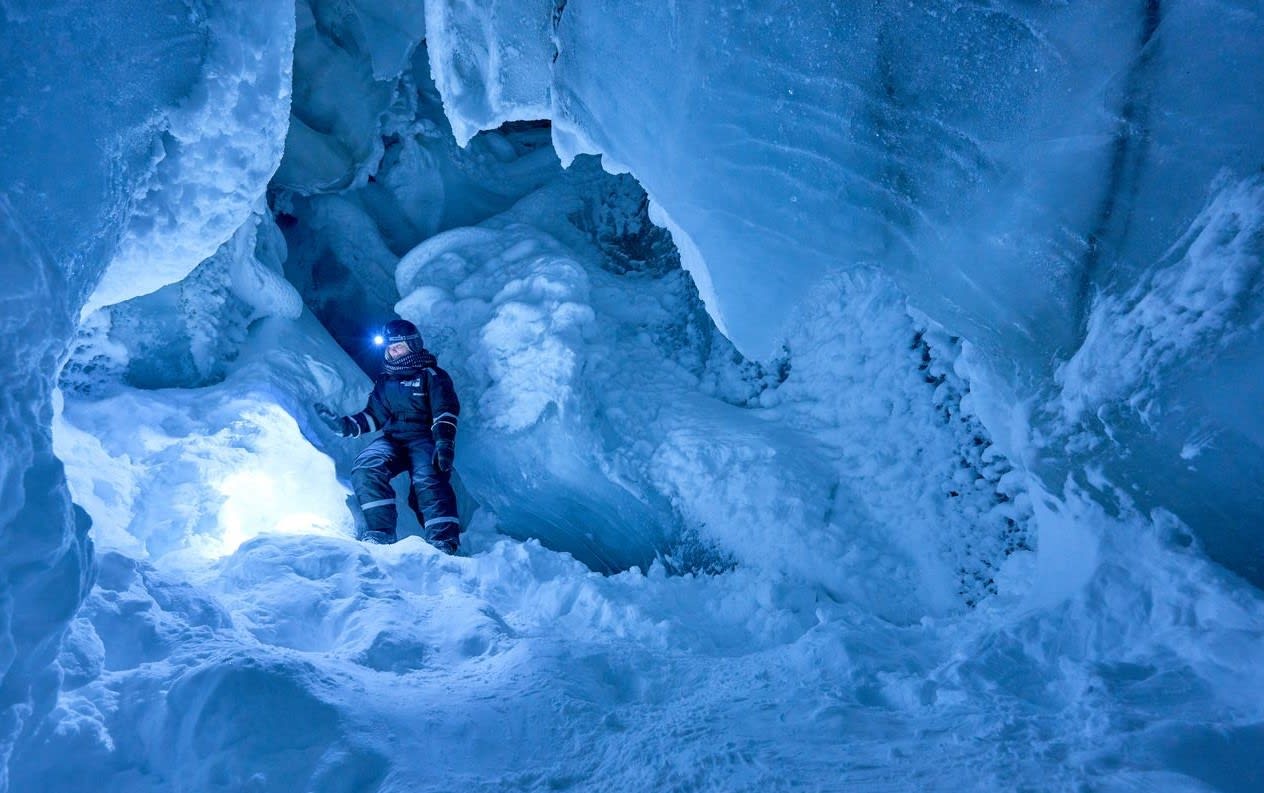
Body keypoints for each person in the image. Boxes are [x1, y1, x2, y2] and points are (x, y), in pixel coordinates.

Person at [314, 319, 461, 552]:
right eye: (390, 348)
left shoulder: (431, 375)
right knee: (366, 466)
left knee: (427, 477)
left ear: (413, 346)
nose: (393, 352)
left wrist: (444, 444)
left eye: (398, 347)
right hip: (394, 440)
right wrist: (344, 426)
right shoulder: (386, 380)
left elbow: (445, 411)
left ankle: (443, 542)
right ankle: (380, 534)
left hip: (424, 438)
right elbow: (374, 415)